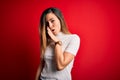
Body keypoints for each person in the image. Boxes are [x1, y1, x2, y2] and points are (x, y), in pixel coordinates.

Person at [35, 7, 80, 80]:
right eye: (47, 23)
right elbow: (41, 65)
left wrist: (57, 41)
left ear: (60, 19)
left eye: (52, 21)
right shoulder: (48, 41)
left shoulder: (73, 38)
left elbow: (60, 65)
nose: (50, 25)